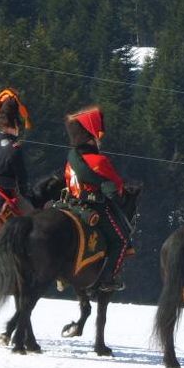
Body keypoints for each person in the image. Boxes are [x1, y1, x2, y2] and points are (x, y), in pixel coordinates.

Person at [64, 106, 131, 292]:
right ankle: (108, 278)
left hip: (72, 205)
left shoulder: (71, 161)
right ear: (90, 137)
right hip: (95, 206)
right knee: (121, 240)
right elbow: (116, 186)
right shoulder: (99, 161)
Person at [0, 88, 34, 214]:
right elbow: (22, 180)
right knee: (32, 217)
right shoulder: (15, 148)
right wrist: (26, 194)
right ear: (15, 123)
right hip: (7, 193)